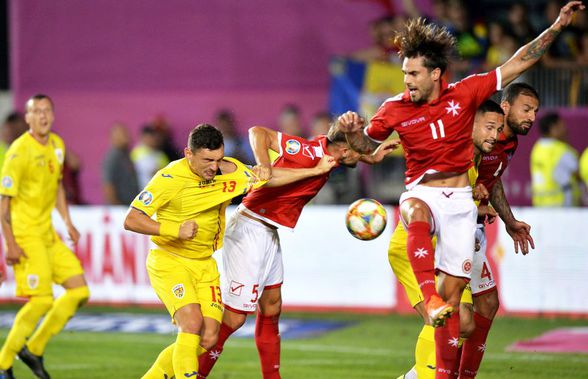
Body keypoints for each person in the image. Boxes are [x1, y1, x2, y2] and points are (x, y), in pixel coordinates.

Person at [337, 3, 584, 377]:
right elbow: (361, 151)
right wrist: (353, 133)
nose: (406, 81)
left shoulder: (465, 94)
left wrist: (556, 26)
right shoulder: (393, 108)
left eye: (414, 74)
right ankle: (430, 297)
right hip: (422, 192)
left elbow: (518, 62)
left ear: (436, 74)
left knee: (457, 316)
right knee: (416, 211)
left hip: (461, 208)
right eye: (405, 73)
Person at [124, 124, 338, 379]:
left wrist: (314, 171)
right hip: (171, 261)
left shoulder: (230, 171)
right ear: (188, 153)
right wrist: (173, 229)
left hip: (204, 264)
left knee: (209, 337)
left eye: (217, 159)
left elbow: (269, 178)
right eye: (207, 160)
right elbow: (132, 219)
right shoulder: (169, 179)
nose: (213, 167)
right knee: (191, 323)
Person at [197, 124, 398, 379]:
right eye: (358, 152)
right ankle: (193, 374)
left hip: (267, 231)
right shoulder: (309, 153)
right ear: (345, 150)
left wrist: (372, 156)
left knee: (271, 307)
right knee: (234, 319)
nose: (360, 157)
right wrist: (264, 166)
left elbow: (346, 153)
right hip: (250, 227)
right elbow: (258, 132)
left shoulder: (327, 153)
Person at [390, 99, 505, 379]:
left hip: (446, 250)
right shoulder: (453, 156)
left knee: (463, 322)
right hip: (416, 248)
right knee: (447, 317)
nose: (495, 135)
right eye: (490, 127)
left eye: (499, 129)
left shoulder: (475, 159)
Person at [0, 94, 90, 379]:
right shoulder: (18, 152)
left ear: (52, 114)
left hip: (48, 234)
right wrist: (10, 244)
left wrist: (67, 221)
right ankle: (3, 364)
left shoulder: (57, 146)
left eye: (47, 110)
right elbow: (4, 205)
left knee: (79, 292)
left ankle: (34, 349)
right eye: (36, 111)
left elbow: (58, 187)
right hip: (26, 235)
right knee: (41, 300)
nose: (42, 116)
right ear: (27, 118)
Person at [530, 112, 581, 207]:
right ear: (553, 128)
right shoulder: (562, 150)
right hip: (562, 206)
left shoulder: (537, 148)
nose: (566, 129)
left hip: (540, 205)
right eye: (561, 125)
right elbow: (580, 174)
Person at [102, 122, 140, 205]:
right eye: (123, 135)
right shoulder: (113, 157)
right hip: (120, 207)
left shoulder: (126, 154)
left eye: (127, 134)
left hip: (129, 204)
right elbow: (108, 184)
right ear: (113, 138)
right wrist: (116, 206)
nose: (127, 137)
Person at [131, 124, 170, 189]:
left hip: (159, 190)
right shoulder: (137, 153)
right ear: (143, 137)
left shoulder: (159, 154)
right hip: (143, 192)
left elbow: (168, 171)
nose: (153, 139)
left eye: (153, 136)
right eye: (150, 137)